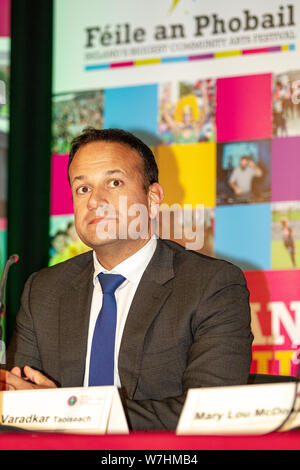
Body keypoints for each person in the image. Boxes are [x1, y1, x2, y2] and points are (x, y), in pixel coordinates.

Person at [1, 128, 253, 431]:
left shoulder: (212, 284)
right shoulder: (43, 290)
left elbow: (209, 411)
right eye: (83, 189)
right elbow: (19, 399)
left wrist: (73, 413)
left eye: (115, 183)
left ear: (153, 197)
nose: (95, 201)